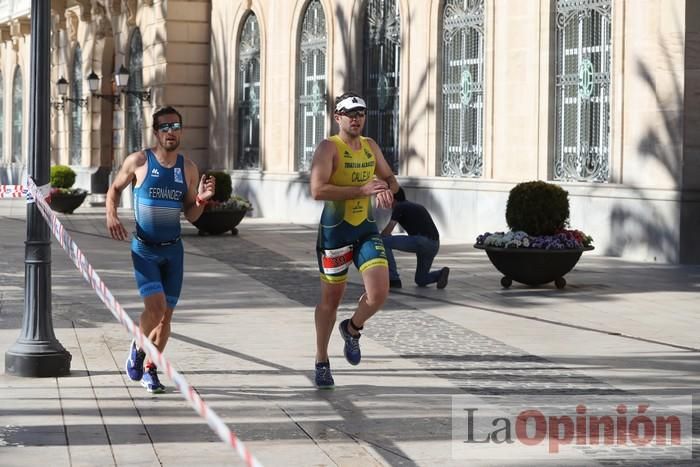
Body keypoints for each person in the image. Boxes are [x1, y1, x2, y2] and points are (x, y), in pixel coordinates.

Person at [106, 106, 216, 393]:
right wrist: (111, 215)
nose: (171, 132)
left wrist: (202, 200)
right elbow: (115, 189)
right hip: (145, 249)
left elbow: (191, 215)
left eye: (176, 127)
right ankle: (137, 346)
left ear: (181, 130)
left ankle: (150, 369)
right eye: (165, 127)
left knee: (167, 316)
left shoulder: (188, 168)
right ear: (155, 132)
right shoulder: (139, 161)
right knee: (154, 310)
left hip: (173, 252)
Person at [309, 91, 400, 389]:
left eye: (361, 113)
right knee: (330, 301)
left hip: (365, 229)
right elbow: (318, 190)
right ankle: (322, 359)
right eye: (350, 113)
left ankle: (352, 328)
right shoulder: (328, 148)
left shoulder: (370, 146)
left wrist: (387, 188)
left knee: (379, 293)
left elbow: (391, 179)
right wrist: (360, 190)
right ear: (338, 117)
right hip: (335, 232)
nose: (356, 118)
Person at [380, 187, 449, 290]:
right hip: (434, 245)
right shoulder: (415, 206)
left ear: (392, 199)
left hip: (421, 241)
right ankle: (440, 274)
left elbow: (387, 232)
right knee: (420, 280)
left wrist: (376, 238)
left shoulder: (399, 207)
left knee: (382, 242)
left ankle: (394, 279)